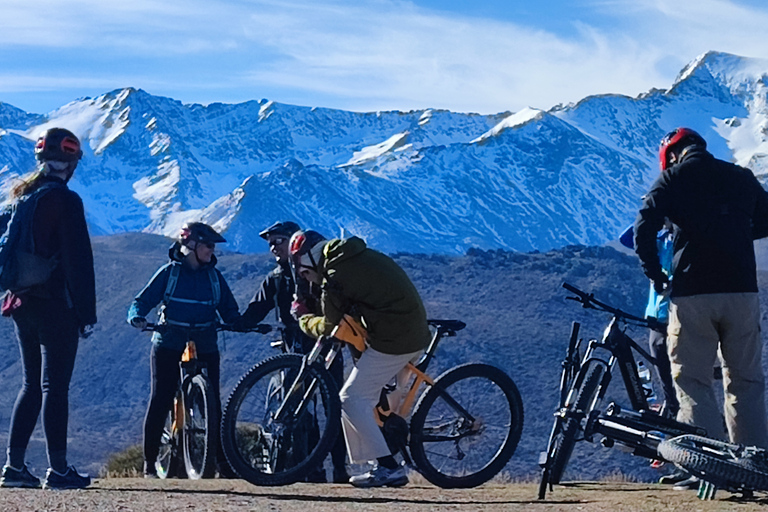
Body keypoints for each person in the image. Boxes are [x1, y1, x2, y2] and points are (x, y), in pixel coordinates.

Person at [634, 128, 768, 486]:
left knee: (693, 381)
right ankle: (753, 468)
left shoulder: (671, 179)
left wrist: (656, 274)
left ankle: (706, 469)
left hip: (692, 293)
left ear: (672, 154)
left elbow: (642, 227)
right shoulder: (740, 177)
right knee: (746, 381)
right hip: (742, 291)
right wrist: (735, 231)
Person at [289, 231, 431, 488]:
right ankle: (376, 461)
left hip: (395, 339)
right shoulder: (346, 258)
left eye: (303, 271)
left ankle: (390, 468)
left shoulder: (334, 275)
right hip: (404, 330)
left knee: (351, 398)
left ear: (309, 259)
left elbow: (331, 324)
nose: (304, 277)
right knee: (368, 398)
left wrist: (303, 318)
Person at [0, 128, 96, 489]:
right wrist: (86, 312)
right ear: (70, 163)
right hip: (56, 304)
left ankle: (15, 467)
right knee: (55, 387)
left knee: (30, 384)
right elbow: (78, 261)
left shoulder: (20, 198)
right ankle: (58, 470)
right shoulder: (65, 200)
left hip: (21, 302)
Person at [127, 222, 241, 478]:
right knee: (161, 397)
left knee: (212, 404)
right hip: (169, 339)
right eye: (208, 246)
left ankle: (222, 464)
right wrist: (136, 317)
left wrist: (239, 323)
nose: (213, 251)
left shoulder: (214, 277)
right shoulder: (170, 274)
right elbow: (141, 301)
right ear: (191, 246)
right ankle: (149, 463)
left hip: (206, 339)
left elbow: (229, 310)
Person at [236, 221, 348, 483]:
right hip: (295, 351)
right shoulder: (275, 278)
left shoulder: (316, 272)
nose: (273, 247)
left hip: (325, 346)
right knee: (302, 413)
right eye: (270, 243)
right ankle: (314, 469)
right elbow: (255, 311)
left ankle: (340, 468)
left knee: (333, 408)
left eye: (278, 241)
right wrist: (234, 323)